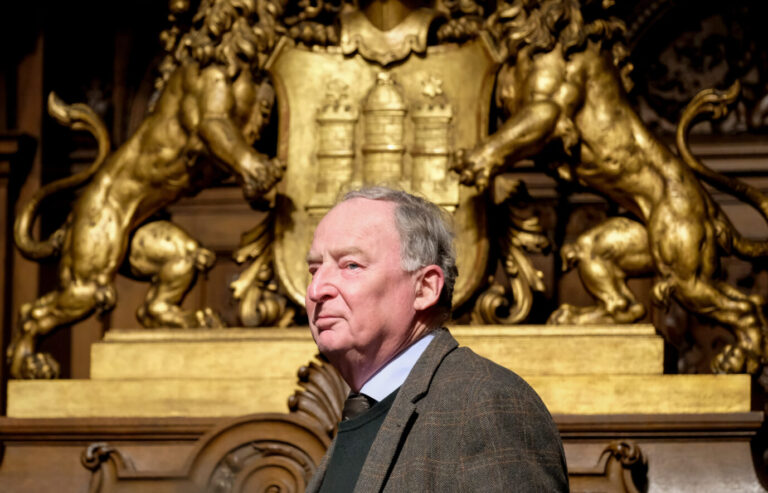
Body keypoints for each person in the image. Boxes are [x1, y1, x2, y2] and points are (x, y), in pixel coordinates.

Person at [304, 186, 569, 492]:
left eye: (351, 265)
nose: (316, 289)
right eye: (314, 269)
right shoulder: (362, 409)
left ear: (425, 288)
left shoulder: (486, 404)